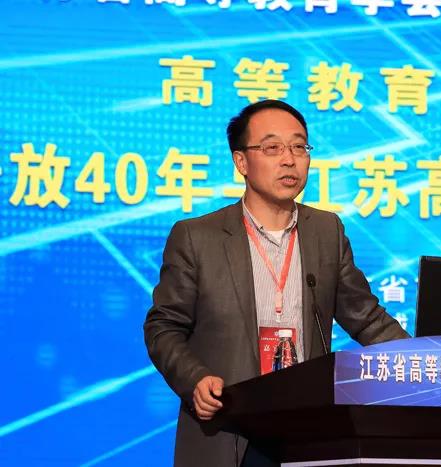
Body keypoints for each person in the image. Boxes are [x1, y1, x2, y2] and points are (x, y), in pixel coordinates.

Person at [143, 99, 409, 467]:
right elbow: (164, 327)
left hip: (306, 432)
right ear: (241, 161)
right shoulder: (197, 237)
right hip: (228, 428)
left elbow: (366, 319)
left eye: (299, 147)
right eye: (272, 148)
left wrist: (424, 362)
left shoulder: (326, 231)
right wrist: (195, 380)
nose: (289, 159)